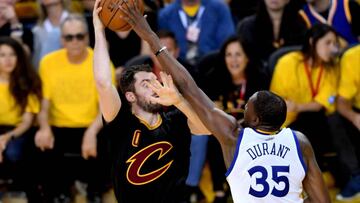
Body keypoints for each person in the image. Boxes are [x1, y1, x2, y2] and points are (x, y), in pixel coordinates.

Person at [117, 1, 331, 202]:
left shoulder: (234, 136)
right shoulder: (299, 142)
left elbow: (189, 86)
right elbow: (322, 200)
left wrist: (150, 37)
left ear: (255, 119)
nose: (244, 107)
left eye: (247, 106)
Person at [92, 1, 210, 203]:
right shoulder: (121, 123)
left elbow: (205, 129)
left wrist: (179, 101)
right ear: (130, 96)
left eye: (155, 80)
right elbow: (103, 83)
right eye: (146, 83)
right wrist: (99, 30)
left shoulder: (175, 119)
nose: (155, 85)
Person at [35, 13, 111, 202]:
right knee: (38, 142)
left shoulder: (101, 62)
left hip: (91, 124)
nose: (75, 41)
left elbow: (107, 106)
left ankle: (95, 190)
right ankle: (58, 192)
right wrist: (44, 127)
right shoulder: (48, 63)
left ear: (87, 37)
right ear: (62, 40)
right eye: (69, 37)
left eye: (80, 36)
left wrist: (91, 133)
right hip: (58, 125)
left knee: (108, 140)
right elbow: (43, 104)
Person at [270, 24, 339, 170]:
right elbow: (275, 101)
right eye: (327, 43)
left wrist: (298, 107)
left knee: (314, 118)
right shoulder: (287, 63)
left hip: (314, 121)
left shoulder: (331, 69)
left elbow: (323, 103)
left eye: (334, 43)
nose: (332, 48)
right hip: (285, 123)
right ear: (312, 41)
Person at [0, 36, 42, 202]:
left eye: (12, 55)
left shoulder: (28, 82)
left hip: (18, 129)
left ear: (19, 57)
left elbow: (27, 122)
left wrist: (5, 138)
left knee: (14, 152)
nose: (8, 60)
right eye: (2, 55)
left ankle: (25, 190)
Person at [328, 45, 360, 201]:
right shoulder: (352, 57)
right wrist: (355, 117)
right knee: (334, 116)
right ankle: (356, 175)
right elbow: (342, 102)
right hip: (356, 110)